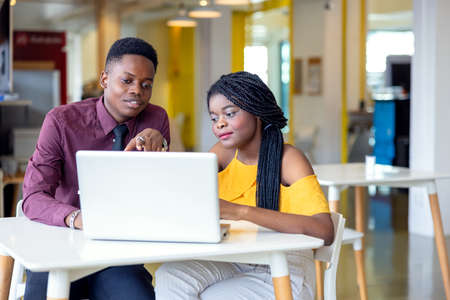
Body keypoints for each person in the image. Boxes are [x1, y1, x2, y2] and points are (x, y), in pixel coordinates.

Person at [155, 71, 334, 300]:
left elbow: (325, 230)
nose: (220, 123)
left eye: (229, 114)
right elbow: (190, 192)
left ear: (256, 111)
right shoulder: (222, 154)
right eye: (213, 117)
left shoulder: (289, 159)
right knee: (169, 276)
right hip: (236, 257)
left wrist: (241, 212)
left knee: (214, 296)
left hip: (284, 267)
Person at [22, 37, 169, 300]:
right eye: (127, 80)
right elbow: (33, 197)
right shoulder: (61, 121)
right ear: (104, 80)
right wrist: (78, 218)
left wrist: (162, 146)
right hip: (60, 244)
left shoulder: (156, 119)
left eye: (146, 85)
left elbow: (159, 193)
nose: (137, 90)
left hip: (119, 252)